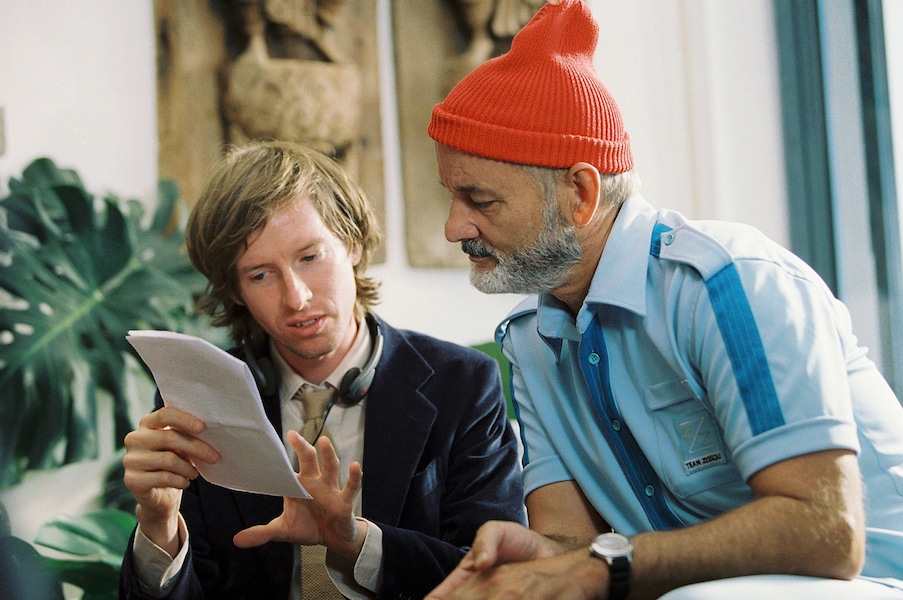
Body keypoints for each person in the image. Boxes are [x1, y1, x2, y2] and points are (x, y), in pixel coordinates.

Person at [424, 1, 903, 598]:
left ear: (579, 191)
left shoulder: (731, 282)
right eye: (452, 195)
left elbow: (827, 531)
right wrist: (536, 560)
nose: (453, 228)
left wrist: (603, 567)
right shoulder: (529, 340)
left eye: (480, 200)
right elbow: (575, 545)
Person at [117, 140, 525, 599]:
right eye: (260, 275)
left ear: (351, 242)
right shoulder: (199, 395)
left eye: (310, 258)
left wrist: (356, 544)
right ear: (234, 291)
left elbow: (496, 576)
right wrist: (159, 526)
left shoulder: (463, 384)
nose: (296, 298)